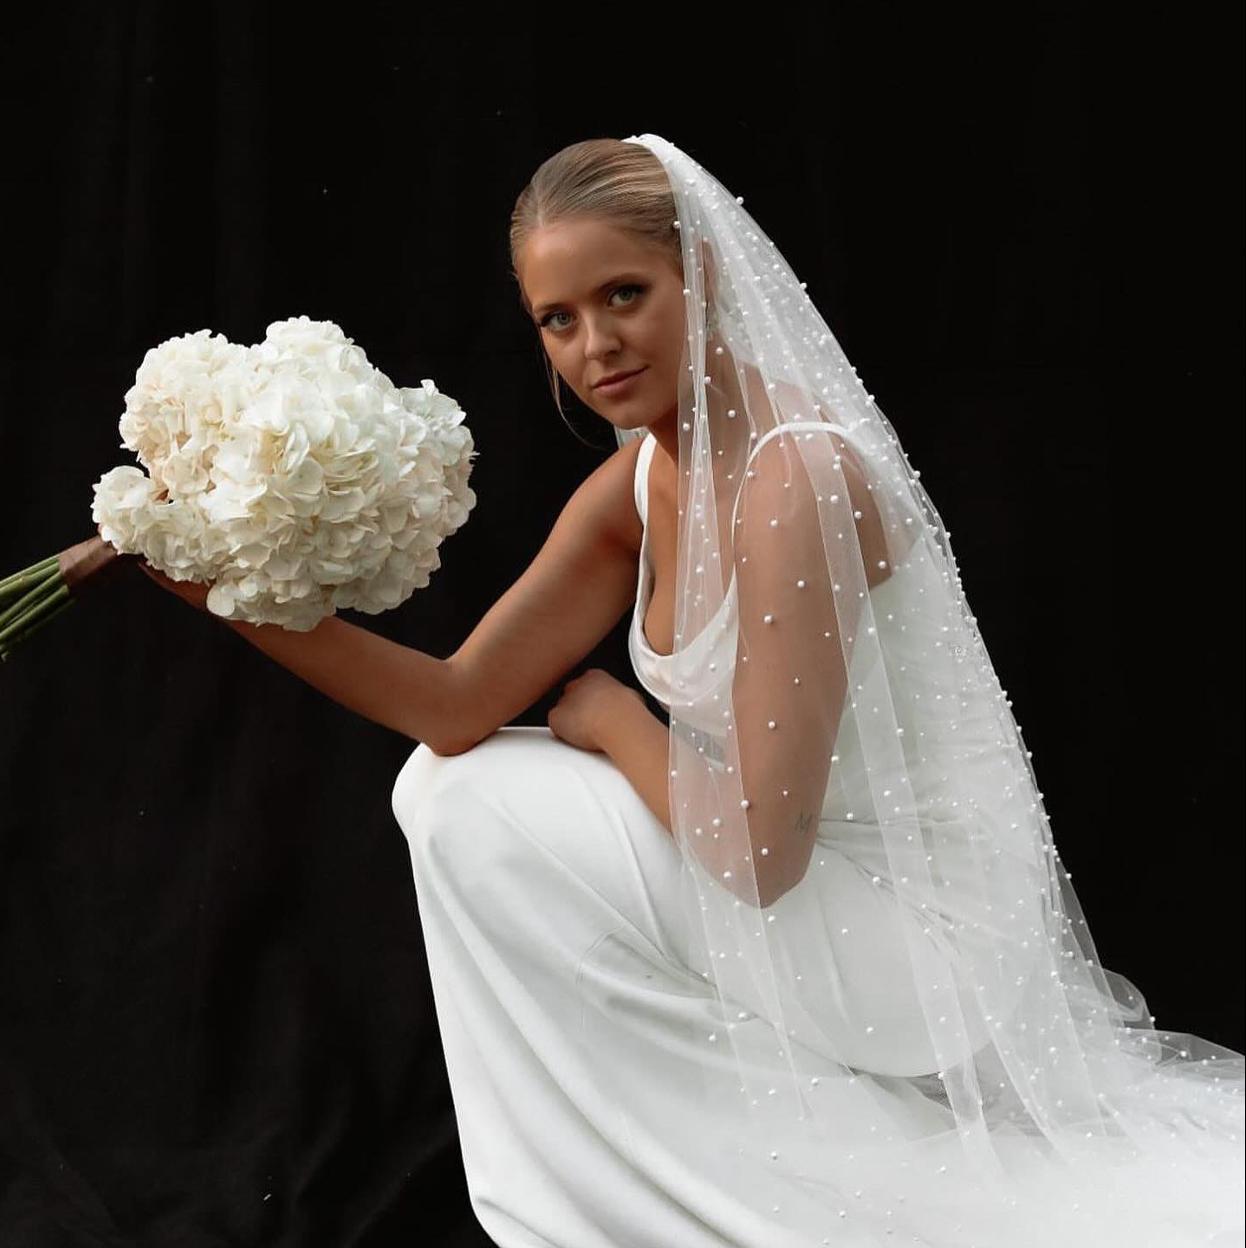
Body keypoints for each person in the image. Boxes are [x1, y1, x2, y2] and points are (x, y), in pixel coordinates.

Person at [148, 136, 1246, 1246]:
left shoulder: (793, 482)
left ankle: (632, 1195)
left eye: (624, 294)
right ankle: (634, 1177)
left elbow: (762, 854)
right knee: (447, 784)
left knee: (466, 805)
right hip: (808, 885)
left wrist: (617, 718)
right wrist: (207, 578)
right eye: (558, 319)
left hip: (921, 950)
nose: (595, 346)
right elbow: (452, 704)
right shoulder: (641, 476)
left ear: (705, 279)